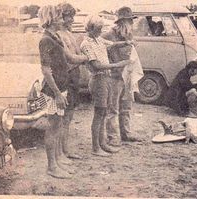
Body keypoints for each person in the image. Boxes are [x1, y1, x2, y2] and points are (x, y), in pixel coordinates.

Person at [80, 15, 132, 156]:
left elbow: (112, 44)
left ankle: (102, 144)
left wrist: (127, 42)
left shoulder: (98, 39)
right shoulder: (86, 44)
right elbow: (96, 65)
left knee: (103, 112)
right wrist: (117, 65)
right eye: (98, 28)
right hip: (98, 79)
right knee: (99, 113)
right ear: (90, 28)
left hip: (105, 79)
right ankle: (96, 147)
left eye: (101, 28)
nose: (100, 30)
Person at [38, 5, 73, 179]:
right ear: (51, 19)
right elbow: (46, 70)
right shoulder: (46, 40)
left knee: (58, 125)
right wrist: (58, 94)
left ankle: (56, 162)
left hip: (61, 88)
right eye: (59, 17)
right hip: (54, 91)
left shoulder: (55, 37)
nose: (62, 20)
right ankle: (51, 167)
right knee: (53, 127)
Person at [102, 7, 144, 146]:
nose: (131, 24)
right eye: (129, 21)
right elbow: (102, 45)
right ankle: (113, 136)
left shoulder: (129, 35)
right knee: (112, 108)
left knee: (126, 106)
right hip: (113, 76)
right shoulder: (109, 35)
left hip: (127, 76)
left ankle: (126, 133)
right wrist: (123, 44)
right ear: (122, 22)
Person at [56, 3, 88, 161]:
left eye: (72, 16)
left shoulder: (69, 33)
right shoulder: (58, 35)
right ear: (61, 16)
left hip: (74, 77)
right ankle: (63, 152)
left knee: (68, 117)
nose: (72, 19)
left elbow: (78, 52)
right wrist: (87, 58)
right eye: (69, 16)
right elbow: (70, 58)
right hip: (66, 77)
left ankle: (65, 150)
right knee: (63, 118)